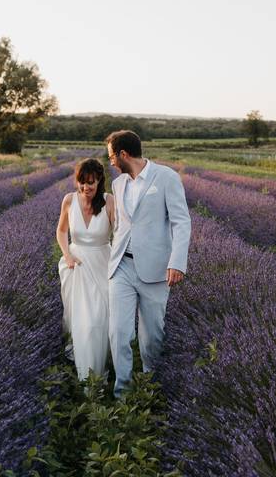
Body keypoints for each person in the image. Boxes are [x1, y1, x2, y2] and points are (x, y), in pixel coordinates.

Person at [106, 130, 191, 397]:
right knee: (118, 332)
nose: (109, 162)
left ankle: (150, 390)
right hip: (122, 266)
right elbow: (121, 224)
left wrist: (177, 262)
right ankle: (122, 395)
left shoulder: (166, 177)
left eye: (111, 156)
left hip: (155, 269)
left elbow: (181, 221)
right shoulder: (118, 185)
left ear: (123, 154)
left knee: (151, 337)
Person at [56, 158, 115, 380]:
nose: (85, 187)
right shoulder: (69, 201)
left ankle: (98, 374)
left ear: (100, 180)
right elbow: (61, 232)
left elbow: (119, 236)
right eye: (82, 182)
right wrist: (67, 255)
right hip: (76, 267)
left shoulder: (110, 202)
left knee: (100, 322)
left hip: (102, 265)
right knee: (82, 322)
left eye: (91, 182)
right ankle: (87, 380)